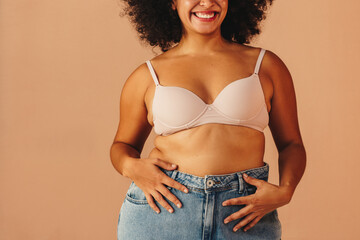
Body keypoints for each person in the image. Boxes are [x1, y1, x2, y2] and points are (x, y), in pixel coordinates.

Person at [110, 0, 306, 239]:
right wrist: (130, 166)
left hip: (245, 214)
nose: (206, 2)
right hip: (164, 213)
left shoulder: (266, 66)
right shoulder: (147, 76)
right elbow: (122, 146)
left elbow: (292, 145)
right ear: (171, 2)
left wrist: (286, 190)